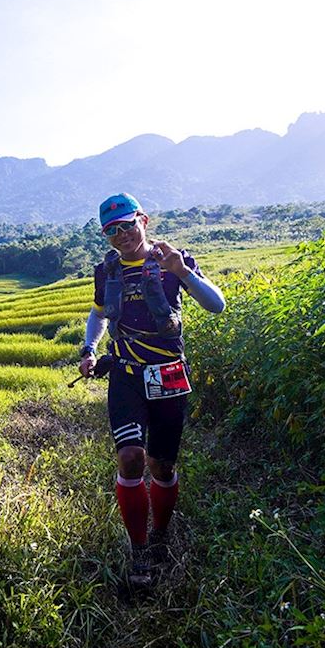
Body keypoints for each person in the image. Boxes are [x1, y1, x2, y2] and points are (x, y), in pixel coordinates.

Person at [79, 193, 225, 586]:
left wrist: (183, 271)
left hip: (168, 375)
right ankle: (139, 547)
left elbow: (217, 305)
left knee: (163, 465)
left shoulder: (172, 262)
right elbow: (98, 316)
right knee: (130, 458)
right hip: (126, 375)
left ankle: (161, 534)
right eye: (111, 230)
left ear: (143, 219)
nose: (121, 234)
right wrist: (90, 348)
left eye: (127, 225)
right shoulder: (106, 271)